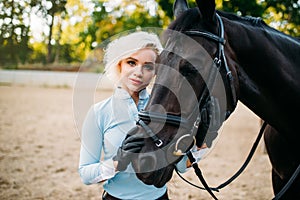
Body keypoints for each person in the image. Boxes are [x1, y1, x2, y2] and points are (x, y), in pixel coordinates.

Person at [78, 31, 210, 200]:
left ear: (156, 72)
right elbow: (86, 174)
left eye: (148, 66)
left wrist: (202, 144)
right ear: (119, 64)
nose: (138, 72)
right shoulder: (99, 112)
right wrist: (118, 163)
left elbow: (182, 166)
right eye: (131, 62)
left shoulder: (169, 111)